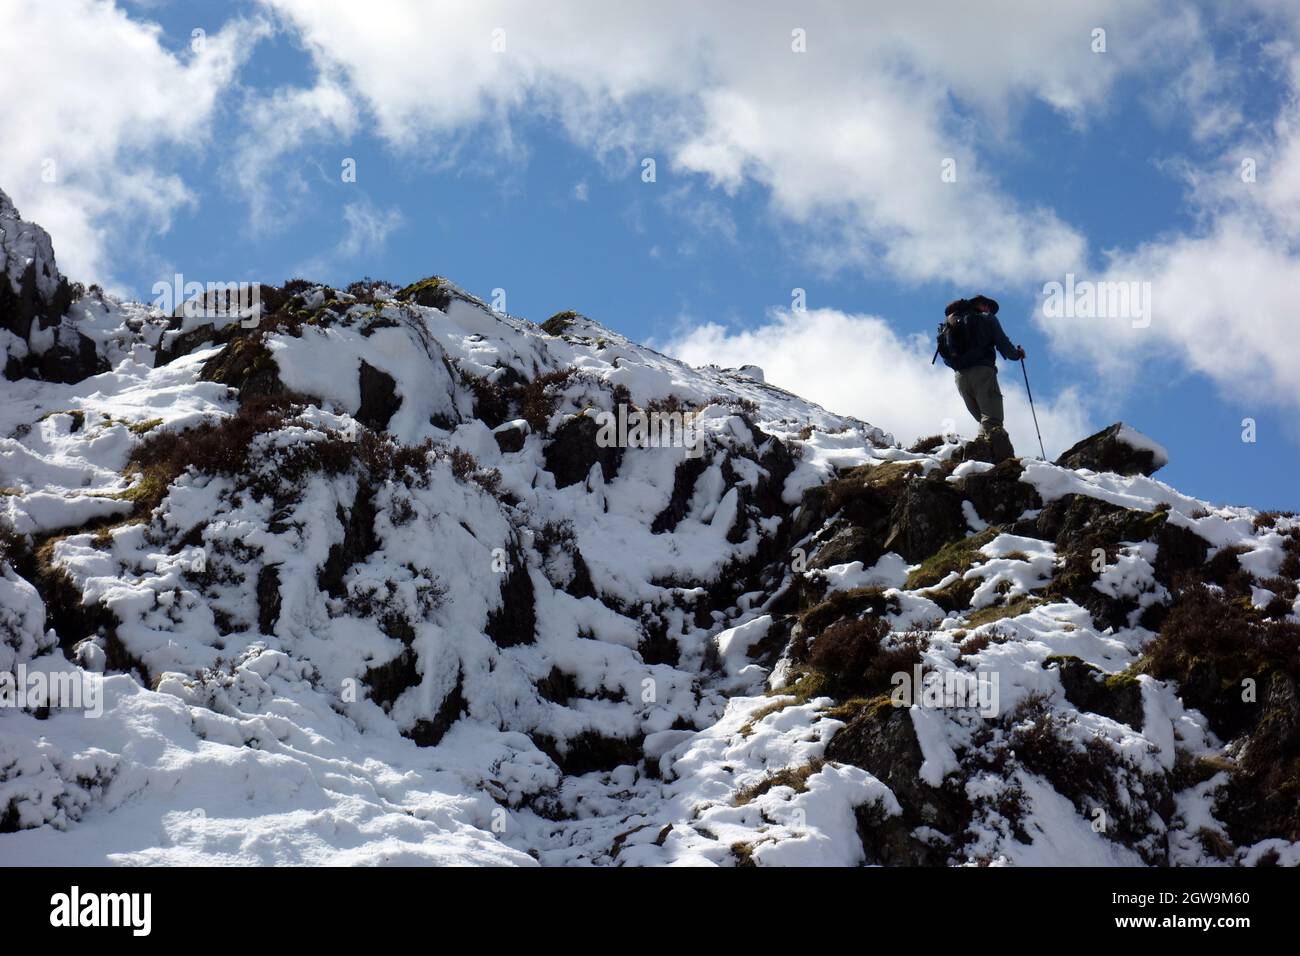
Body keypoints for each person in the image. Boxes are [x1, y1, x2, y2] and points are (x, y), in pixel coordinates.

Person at [935, 294, 1025, 462]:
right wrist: (1017, 354)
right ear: (982, 306)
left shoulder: (951, 324)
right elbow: (1003, 343)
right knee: (993, 421)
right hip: (982, 373)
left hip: (960, 378)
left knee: (984, 422)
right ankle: (992, 463)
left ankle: (978, 460)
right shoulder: (986, 318)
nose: (990, 310)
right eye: (988, 306)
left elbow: (945, 355)